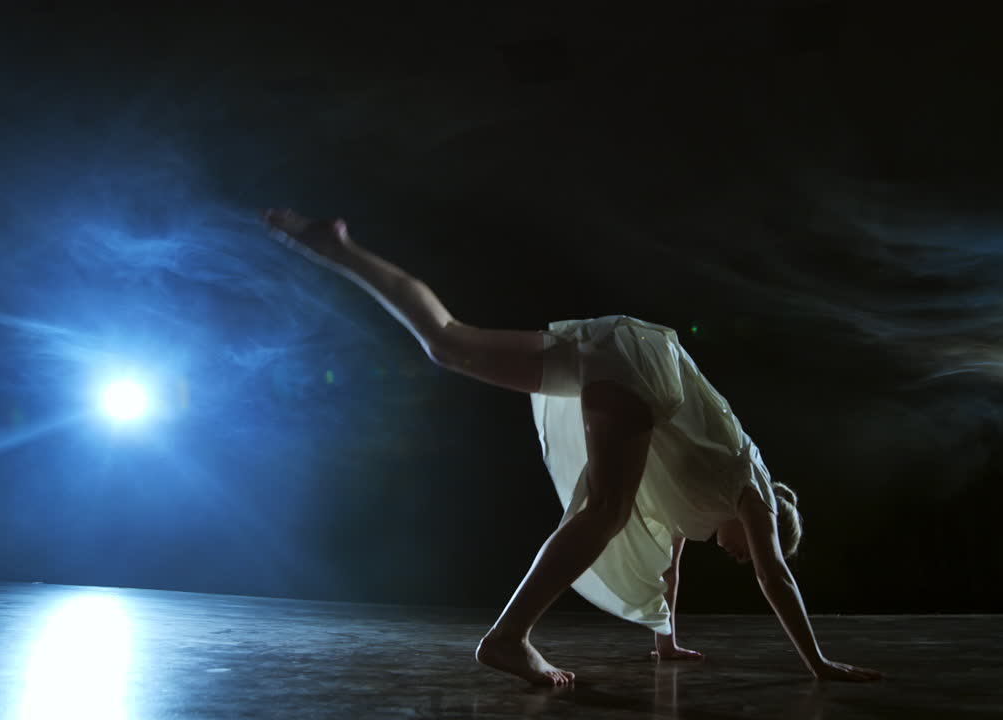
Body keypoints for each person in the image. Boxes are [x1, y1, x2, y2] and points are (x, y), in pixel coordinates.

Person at [262, 209, 883, 686]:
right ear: (771, 524)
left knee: (449, 343)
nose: (746, 559)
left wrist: (665, 640)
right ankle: (508, 637)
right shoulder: (755, 492)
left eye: (749, 557)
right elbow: (777, 578)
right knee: (606, 512)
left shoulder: (699, 508)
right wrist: (819, 663)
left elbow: (668, 558)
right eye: (751, 553)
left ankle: (339, 250)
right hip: (645, 369)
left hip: (624, 356)